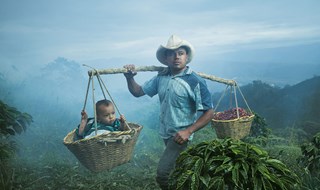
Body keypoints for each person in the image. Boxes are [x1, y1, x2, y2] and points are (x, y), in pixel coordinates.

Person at [123, 35, 214, 190]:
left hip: (181, 137)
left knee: (163, 174)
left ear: (186, 57)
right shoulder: (162, 77)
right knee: (180, 171)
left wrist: (188, 131)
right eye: (172, 53)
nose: (176, 57)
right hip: (166, 133)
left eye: (180, 53)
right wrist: (129, 78)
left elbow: (209, 112)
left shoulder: (195, 80)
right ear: (166, 57)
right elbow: (138, 92)